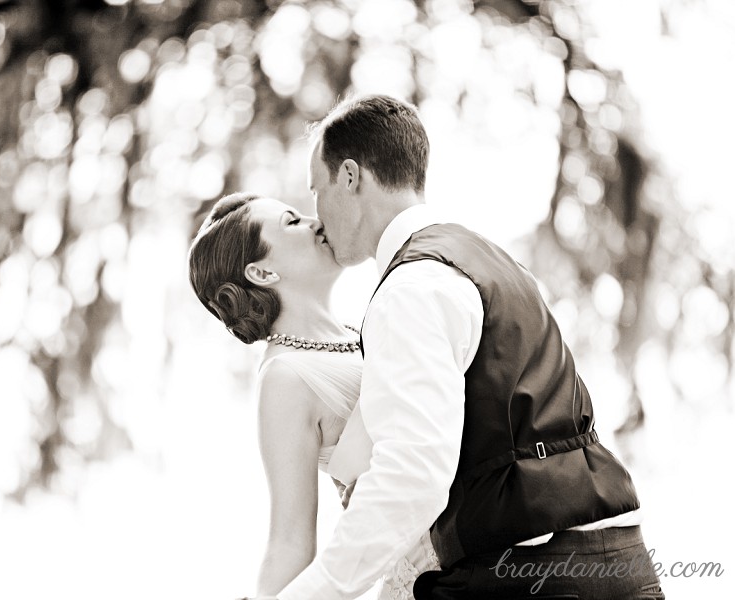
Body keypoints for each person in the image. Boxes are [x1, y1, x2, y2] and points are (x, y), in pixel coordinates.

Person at [269, 94, 664, 600]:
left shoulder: (409, 290)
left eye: (316, 190)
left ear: (349, 177)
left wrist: (310, 594)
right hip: (621, 564)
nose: (317, 216)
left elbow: (413, 475)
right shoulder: (489, 260)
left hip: (531, 576)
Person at [188, 192, 438, 599]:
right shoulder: (284, 378)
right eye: (292, 222)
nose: (315, 220)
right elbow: (290, 542)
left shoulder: (362, 330)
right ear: (263, 273)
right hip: (437, 571)